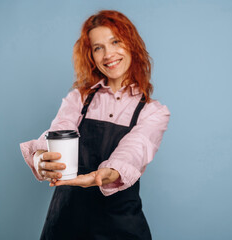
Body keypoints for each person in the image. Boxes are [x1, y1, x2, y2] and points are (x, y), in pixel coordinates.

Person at [20, 10, 170, 239]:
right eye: (98, 47)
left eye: (115, 41)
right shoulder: (78, 99)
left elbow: (133, 151)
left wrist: (103, 174)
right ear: (91, 55)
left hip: (120, 226)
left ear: (131, 44)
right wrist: (41, 156)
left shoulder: (153, 112)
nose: (108, 54)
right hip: (66, 222)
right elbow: (57, 133)